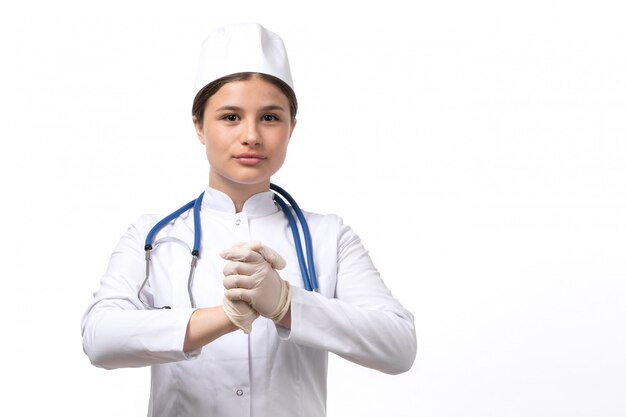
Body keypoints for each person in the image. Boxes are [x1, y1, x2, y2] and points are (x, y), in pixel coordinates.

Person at [81, 22, 416, 417]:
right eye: (230, 117)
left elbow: (399, 346)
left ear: (292, 127)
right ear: (198, 126)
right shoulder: (154, 236)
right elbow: (99, 338)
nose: (252, 135)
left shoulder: (329, 236)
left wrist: (287, 303)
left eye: (271, 118)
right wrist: (224, 317)